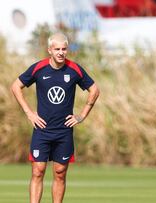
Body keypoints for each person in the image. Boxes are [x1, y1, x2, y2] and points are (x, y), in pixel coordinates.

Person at [11, 33, 100, 203]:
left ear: (67, 50)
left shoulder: (74, 70)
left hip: (64, 132)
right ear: (49, 50)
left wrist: (81, 115)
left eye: (64, 49)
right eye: (57, 49)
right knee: (38, 170)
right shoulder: (39, 68)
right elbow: (16, 86)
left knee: (60, 173)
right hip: (42, 130)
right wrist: (29, 113)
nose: (61, 52)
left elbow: (94, 90)